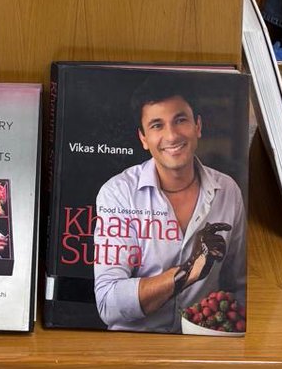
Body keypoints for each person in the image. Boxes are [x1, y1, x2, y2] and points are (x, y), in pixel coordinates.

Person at [93, 77, 246, 332]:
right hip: (133, 347)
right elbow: (108, 304)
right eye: (157, 125)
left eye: (180, 120)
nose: (172, 135)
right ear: (143, 138)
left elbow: (241, 287)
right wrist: (188, 272)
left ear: (198, 126)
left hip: (202, 344)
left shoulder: (228, 191)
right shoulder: (118, 193)